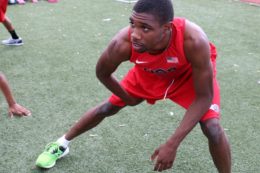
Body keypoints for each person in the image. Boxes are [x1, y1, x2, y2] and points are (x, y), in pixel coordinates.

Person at [35, 0, 231, 172]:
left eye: (145, 28)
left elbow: (204, 96)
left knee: (212, 128)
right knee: (107, 107)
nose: (135, 34)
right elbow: (102, 73)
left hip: (187, 76)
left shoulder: (194, 41)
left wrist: (172, 144)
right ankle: (61, 144)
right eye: (132, 24)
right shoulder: (123, 43)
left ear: (166, 28)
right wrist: (126, 98)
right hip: (149, 73)